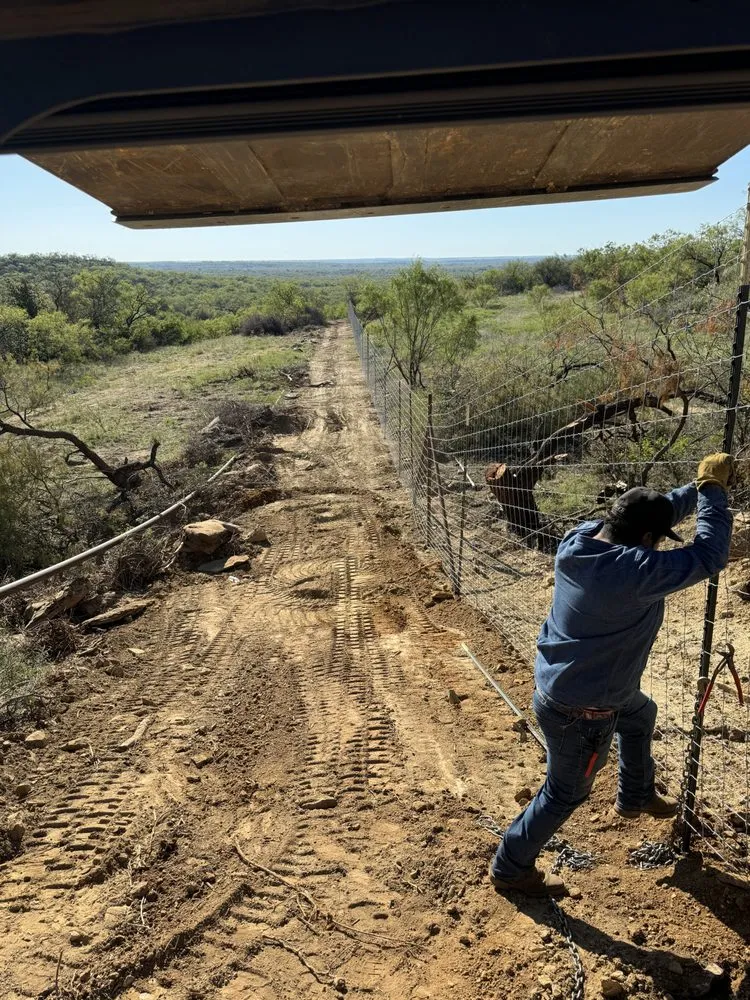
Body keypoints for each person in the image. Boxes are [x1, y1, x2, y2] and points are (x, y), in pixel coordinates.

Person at [490, 453, 735, 897]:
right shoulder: (635, 571)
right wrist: (715, 495)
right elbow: (710, 554)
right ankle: (510, 868)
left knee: (640, 715)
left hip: (572, 686)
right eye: (656, 539)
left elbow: (650, 514)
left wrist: (700, 486)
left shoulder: (578, 541)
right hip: (583, 712)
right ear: (645, 539)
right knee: (564, 794)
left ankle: (636, 794)